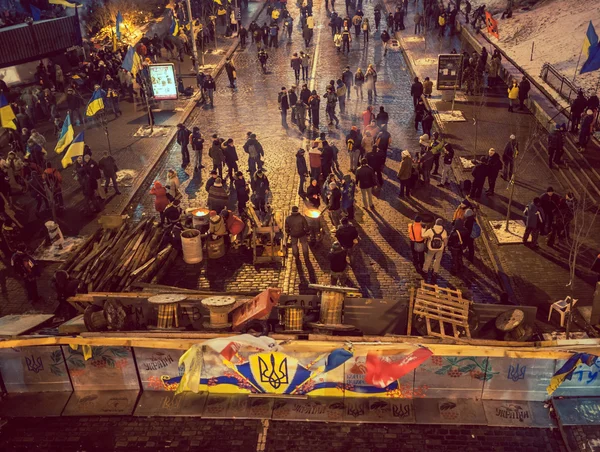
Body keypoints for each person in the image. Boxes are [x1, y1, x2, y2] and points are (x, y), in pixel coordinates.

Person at [422, 219, 447, 283]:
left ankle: (425, 270)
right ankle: (435, 271)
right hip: (440, 248)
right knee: (437, 260)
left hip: (431, 247)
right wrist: (444, 246)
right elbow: (445, 241)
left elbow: (423, 236)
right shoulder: (444, 231)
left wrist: (423, 230)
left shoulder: (431, 230)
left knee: (429, 258)